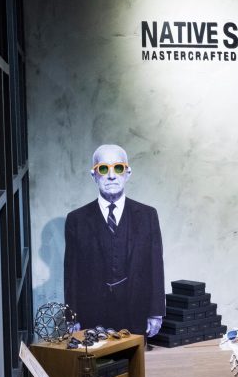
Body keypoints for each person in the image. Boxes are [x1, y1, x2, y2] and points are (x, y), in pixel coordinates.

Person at [64, 144, 164, 337]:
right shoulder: (77, 219)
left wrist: (156, 312)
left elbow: (156, 266)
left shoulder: (147, 215)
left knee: (134, 357)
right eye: (103, 169)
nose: (111, 176)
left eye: (118, 168)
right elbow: (71, 273)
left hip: (136, 313)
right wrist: (71, 317)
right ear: (93, 175)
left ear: (128, 173)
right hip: (91, 316)